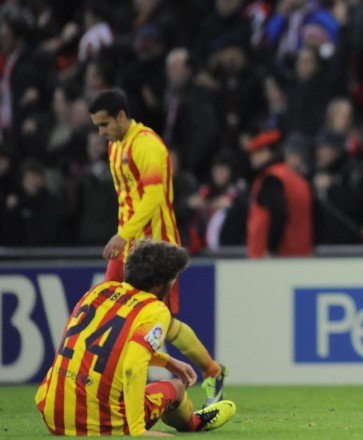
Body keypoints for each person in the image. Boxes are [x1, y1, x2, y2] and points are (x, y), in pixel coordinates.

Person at [88, 89, 227, 406]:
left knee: (160, 322)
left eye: (105, 124)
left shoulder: (147, 144)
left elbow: (153, 197)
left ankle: (213, 372)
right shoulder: (116, 146)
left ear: (122, 116)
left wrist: (124, 234)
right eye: (97, 126)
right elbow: (129, 198)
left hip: (156, 248)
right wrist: (123, 237)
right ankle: (108, 387)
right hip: (128, 244)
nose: (101, 132)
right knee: (106, 315)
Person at [35, 239, 236, 436]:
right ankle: (194, 422)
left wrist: (166, 361)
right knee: (175, 387)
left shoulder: (99, 291)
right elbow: (133, 366)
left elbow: (96, 345)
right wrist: (138, 430)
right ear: (158, 285)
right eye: (173, 278)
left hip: (52, 414)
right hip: (98, 425)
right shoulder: (154, 309)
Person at [245, 129, 313, 258]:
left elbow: (279, 214)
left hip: (275, 258)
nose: (252, 158)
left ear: (267, 152)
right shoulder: (299, 180)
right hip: (300, 255)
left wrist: (271, 249)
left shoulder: (272, 178)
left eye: (256, 153)